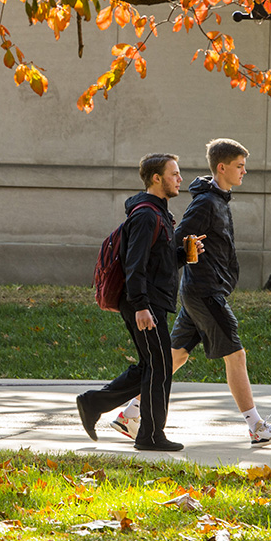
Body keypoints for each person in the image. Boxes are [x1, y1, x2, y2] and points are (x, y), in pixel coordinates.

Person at [109, 138, 271, 447]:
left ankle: (129, 414)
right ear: (221, 167)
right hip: (205, 293)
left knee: (175, 356)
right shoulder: (206, 202)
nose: (244, 172)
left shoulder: (218, 199)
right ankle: (257, 427)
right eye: (239, 166)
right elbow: (175, 243)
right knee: (236, 355)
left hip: (201, 291)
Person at [76, 153, 201, 452]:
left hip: (149, 301)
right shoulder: (146, 215)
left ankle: (93, 403)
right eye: (174, 174)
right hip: (144, 304)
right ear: (156, 178)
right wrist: (142, 305)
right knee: (159, 367)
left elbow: (157, 262)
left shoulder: (158, 214)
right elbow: (135, 265)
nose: (180, 179)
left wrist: (183, 255)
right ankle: (151, 435)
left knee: (153, 365)